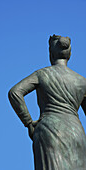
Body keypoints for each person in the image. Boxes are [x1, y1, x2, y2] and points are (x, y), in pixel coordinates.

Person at [8, 35, 86, 170]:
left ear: (51, 53)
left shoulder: (41, 74)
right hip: (76, 135)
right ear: (69, 54)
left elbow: (15, 92)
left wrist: (28, 122)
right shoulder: (82, 81)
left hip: (49, 131)